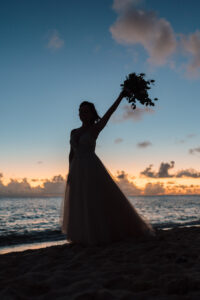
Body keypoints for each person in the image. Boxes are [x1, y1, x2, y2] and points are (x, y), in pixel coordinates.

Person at [60, 90, 154, 246]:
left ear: (91, 114)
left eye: (85, 111)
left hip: (91, 168)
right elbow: (70, 154)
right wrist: (70, 172)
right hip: (77, 169)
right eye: (80, 111)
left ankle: (100, 234)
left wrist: (121, 96)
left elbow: (110, 112)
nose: (82, 114)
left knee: (94, 201)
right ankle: (82, 236)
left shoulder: (95, 129)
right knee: (79, 202)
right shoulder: (73, 132)